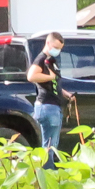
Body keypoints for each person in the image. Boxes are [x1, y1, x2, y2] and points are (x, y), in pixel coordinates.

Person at [26, 31, 73, 161]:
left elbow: (53, 82)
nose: (58, 51)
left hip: (53, 106)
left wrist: (65, 93)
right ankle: (48, 175)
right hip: (47, 106)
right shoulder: (41, 58)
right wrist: (50, 76)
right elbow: (31, 76)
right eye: (56, 48)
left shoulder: (50, 61)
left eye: (60, 49)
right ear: (48, 43)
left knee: (52, 146)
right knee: (49, 148)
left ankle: (47, 174)